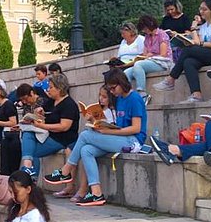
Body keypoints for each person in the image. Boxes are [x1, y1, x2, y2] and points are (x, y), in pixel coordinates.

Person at [46, 69, 147, 206]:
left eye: (113, 88)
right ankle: (96, 193)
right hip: (121, 138)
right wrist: (98, 124)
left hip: (133, 141)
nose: (111, 92)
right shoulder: (120, 99)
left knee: (85, 135)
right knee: (86, 150)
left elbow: (136, 128)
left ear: (121, 83)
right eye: (109, 88)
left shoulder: (134, 99)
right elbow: (119, 125)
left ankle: (66, 170)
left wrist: (108, 132)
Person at [154, 0, 211, 103]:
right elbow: (196, 42)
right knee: (188, 62)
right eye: (200, 9)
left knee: (188, 50)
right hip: (208, 53)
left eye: (204, 9)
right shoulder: (204, 26)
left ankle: (171, 79)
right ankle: (196, 95)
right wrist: (194, 28)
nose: (201, 12)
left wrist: (200, 43)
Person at [20, 74, 79, 180]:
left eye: (51, 87)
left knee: (32, 152)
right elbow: (44, 113)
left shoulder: (69, 105)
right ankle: (28, 167)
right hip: (49, 134)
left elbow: (64, 127)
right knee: (27, 133)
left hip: (62, 139)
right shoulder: (52, 101)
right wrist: (40, 112)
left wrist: (42, 125)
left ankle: (30, 178)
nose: (48, 90)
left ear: (59, 88)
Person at [124, 15, 173, 105]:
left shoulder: (162, 34)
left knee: (138, 65)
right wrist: (142, 57)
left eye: (145, 28)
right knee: (126, 72)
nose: (144, 31)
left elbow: (163, 54)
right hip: (150, 61)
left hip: (162, 62)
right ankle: (129, 96)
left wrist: (151, 55)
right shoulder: (147, 37)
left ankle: (142, 93)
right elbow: (145, 53)